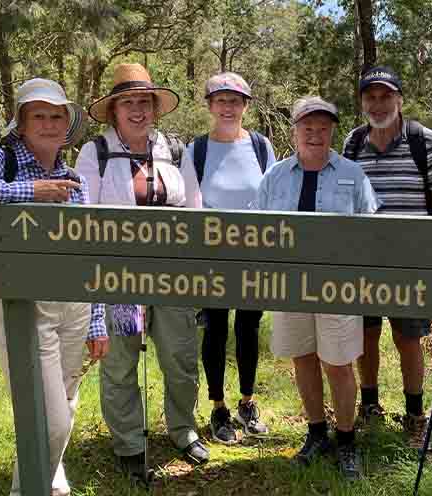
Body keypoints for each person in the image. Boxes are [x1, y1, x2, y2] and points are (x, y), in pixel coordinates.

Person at [0, 78, 106, 496]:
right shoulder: (3, 159)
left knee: (64, 400)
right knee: (49, 416)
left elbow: (89, 252)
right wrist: (26, 191)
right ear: (22, 123)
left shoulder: (71, 177)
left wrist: (97, 319)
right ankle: (28, 488)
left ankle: (48, 478)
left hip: (74, 304)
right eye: (39, 116)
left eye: (56, 116)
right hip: (20, 303)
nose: (49, 124)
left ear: (67, 125)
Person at [75, 63, 209, 477]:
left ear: (155, 108)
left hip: (173, 276)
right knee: (120, 362)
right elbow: (83, 220)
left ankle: (183, 430)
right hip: (119, 278)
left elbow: (195, 211)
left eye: (144, 102)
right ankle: (130, 443)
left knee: (181, 357)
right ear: (114, 110)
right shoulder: (95, 153)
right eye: (128, 102)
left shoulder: (174, 149)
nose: (137, 110)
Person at [255, 96, 380, 480]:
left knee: (338, 363)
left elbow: (372, 229)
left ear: (331, 132)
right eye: (307, 127)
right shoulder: (274, 176)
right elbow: (256, 230)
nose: (315, 134)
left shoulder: (353, 174)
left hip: (338, 287)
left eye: (322, 128)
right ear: (295, 131)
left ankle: (346, 442)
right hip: (289, 286)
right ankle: (315, 433)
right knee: (303, 358)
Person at [343, 66, 432, 439]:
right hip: (363, 261)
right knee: (365, 335)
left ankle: (414, 415)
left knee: (408, 338)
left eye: (385, 96)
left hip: (411, 262)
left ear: (399, 99)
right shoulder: (353, 143)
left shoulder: (424, 140)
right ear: (362, 103)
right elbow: (346, 201)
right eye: (370, 97)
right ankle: (370, 406)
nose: (377, 104)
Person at [181, 72, 276, 444]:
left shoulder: (261, 146)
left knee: (248, 328)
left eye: (234, 100)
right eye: (220, 100)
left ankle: (248, 402)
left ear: (245, 106)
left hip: (254, 255)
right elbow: (190, 201)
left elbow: (272, 194)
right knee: (216, 328)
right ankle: (218, 407)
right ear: (209, 106)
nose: (227, 107)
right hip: (212, 257)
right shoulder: (197, 150)